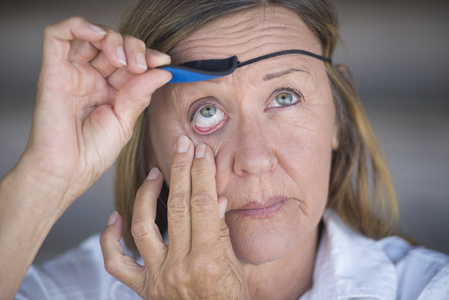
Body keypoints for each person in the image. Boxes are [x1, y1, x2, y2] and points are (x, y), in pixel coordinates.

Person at [1, 0, 448, 299]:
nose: (254, 159)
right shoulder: (72, 291)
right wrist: (45, 175)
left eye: (285, 97)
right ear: (146, 140)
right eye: (207, 112)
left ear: (337, 114)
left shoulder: (430, 288)